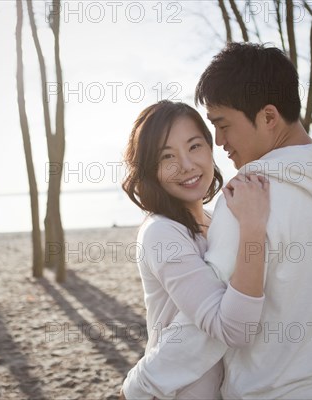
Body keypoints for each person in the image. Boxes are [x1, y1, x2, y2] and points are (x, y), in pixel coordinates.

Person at [122, 43, 312, 399]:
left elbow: (207, 332)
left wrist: (140, 385)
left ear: (269, 117)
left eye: (223, 125)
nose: (220, 141)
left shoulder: (248, 196)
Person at [120, 100, 271, 399]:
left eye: (194, 146)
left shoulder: (218, 222)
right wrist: (254, 226)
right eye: (167, 156)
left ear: (210, 148)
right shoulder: (161, 232)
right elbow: (232, 329)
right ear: (151, 169)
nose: (186, 165)